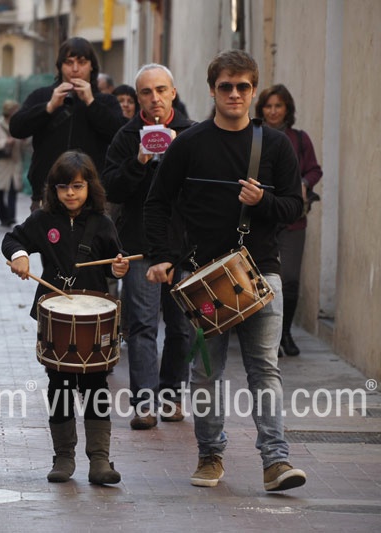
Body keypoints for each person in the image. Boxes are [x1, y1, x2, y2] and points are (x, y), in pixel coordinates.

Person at [143, 49, 307, 492]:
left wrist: (263, 201)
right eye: (226, 86)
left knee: (265, 370)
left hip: (261, 272)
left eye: (243, 87)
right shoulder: (190, 143)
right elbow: (157, 203)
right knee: (205, 374)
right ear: (212, 90)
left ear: (253, 91)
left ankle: (276, 462)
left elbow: (295, 206)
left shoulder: (275, 145)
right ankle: (210, 455)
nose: (235, 94)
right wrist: (162, 256)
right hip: (204, 276)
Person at [2, 150, 130, 484]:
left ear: (90, 187)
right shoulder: (43, 221)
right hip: (55, 316)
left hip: (94, 317)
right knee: (59, 384)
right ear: (53, 189)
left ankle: (100, 460)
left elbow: (115, 261)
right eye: (63, 187)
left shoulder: (102, 223)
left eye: (77, 186)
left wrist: (119, 267)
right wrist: (20, 255)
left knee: (95, 386)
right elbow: (12, 238)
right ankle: (63, 457)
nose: (70, 193)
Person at [102, 64, 194, 430]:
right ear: (138, 97)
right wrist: (138, 161)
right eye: (146, 92)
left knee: (181, 325)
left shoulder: (191, 133)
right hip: (140, 246)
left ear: (173, 92)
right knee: (141, 325)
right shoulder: (125, 136)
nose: (154, 98)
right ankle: (144, 403)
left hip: (183, 246)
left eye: (160, 90)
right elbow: (111, 189)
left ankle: (172, 395)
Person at [10, 37, 125, 213]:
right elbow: (16, 128)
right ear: (60, 66)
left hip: (92, 198)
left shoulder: (106, 101)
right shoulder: (42, 96)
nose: (75, 69)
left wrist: (91, 103)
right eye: (69, 62)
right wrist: (49, 107)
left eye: (82, 62)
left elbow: (118, 134)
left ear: (92, 66)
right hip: (47, 195)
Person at [255, 84, 323, 357]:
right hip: (261, 218)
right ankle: (263, 336)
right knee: (260, 278)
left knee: (290, 279)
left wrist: (304, 183)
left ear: (287, 109)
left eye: (278, 106)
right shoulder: (255, 136)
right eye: (268, 106)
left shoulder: (300, 139)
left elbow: (314, 170)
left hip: (293, 219)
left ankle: (285, 333)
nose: (273, 111)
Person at [0, 100, 25, 227]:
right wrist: (5, 142)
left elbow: (25, 145)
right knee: (0, 192)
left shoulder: (19, 125)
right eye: (15, 110)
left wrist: (24, 140)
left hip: (14, 162)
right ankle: (3, 218)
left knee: (13, 190)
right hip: (0, 164)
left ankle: (11, 217)